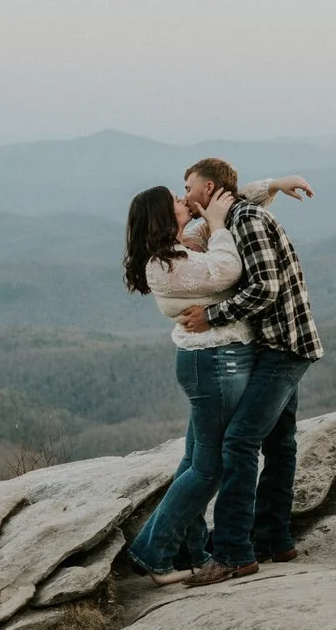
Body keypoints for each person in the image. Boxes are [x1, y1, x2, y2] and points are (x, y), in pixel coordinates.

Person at [120, 173, 313, 583]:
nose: (184, 200)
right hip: (214, 363)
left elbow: (222, 198)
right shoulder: (169, 263)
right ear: (162, 215)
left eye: (186, 191)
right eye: (176, 199)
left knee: (196, 461)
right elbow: (228, 269)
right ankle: (153, 551)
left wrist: (273, 184)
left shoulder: (180, 246)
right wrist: (221, 227)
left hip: (217, 360)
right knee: (210, 467)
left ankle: (189, 551)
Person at [176, 156, 323, 587]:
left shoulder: (247, 221)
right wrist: (275, 182)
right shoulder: (233, 214)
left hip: (283, 346)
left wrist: (212, 316)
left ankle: (233, 553)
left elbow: (265, 287)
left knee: (239, 440)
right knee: (278, 442)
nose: (185, 194)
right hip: (282, 343)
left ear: (208, 188)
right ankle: (274, 538)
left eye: (189, 187)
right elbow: (236, 196)